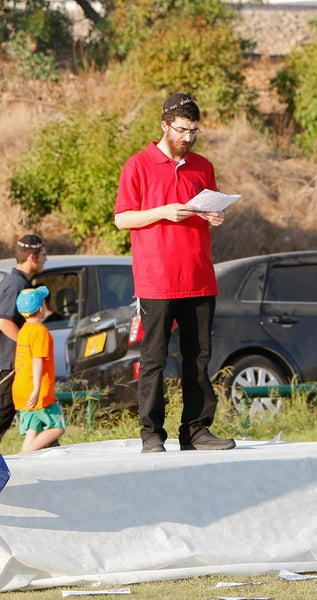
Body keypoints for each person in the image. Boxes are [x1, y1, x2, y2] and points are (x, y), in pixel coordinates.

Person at [114, 92, 236, 454]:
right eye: (182, 130)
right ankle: (151, 434)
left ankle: (196, 431)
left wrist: (215, 216)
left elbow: (207, 209)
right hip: (157, 280)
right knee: (153, 360)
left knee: (198, 359)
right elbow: (122, 218)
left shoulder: (203, 166)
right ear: (165, 125)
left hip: (199, 277)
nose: (188, 138)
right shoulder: (137, 165)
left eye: (194, 131)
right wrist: (163, 211)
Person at [0, 234, 47, 445]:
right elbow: (4, 322)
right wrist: (27, 346)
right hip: (12, 361)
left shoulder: (20, 282)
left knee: (31, 406)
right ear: (32, 257)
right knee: (3, 412)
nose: (46, 259)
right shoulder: (16, 284)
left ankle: (47, 449)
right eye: (43, 255)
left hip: (15, 360)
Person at [11, 285, 65, 452]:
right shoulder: (40, 331)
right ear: (41, 308)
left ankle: (24, 461)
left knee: (32, 432)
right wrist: (37, 390)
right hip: (38, 392)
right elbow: (37, 361)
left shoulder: (24, 330)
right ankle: (23, 456)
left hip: (21, 389)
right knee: (58, 426)